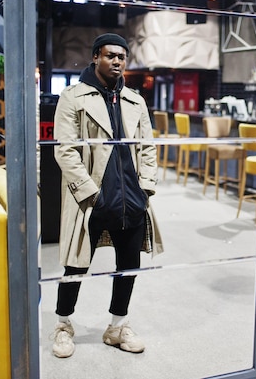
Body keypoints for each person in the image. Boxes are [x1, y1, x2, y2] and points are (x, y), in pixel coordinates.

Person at [51, 33, 161, 358]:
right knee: (76, 265)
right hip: (94, 199)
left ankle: (117, 326)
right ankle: (63, 325)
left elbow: (148, 148)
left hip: (132, 198)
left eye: (122, 57)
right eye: (111, 55)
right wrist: (90, 194)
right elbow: (65, 150)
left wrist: (147, 187)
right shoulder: (73, 97)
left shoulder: (135, 100)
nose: (117, 61)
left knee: (129, 265)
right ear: (96, 56)